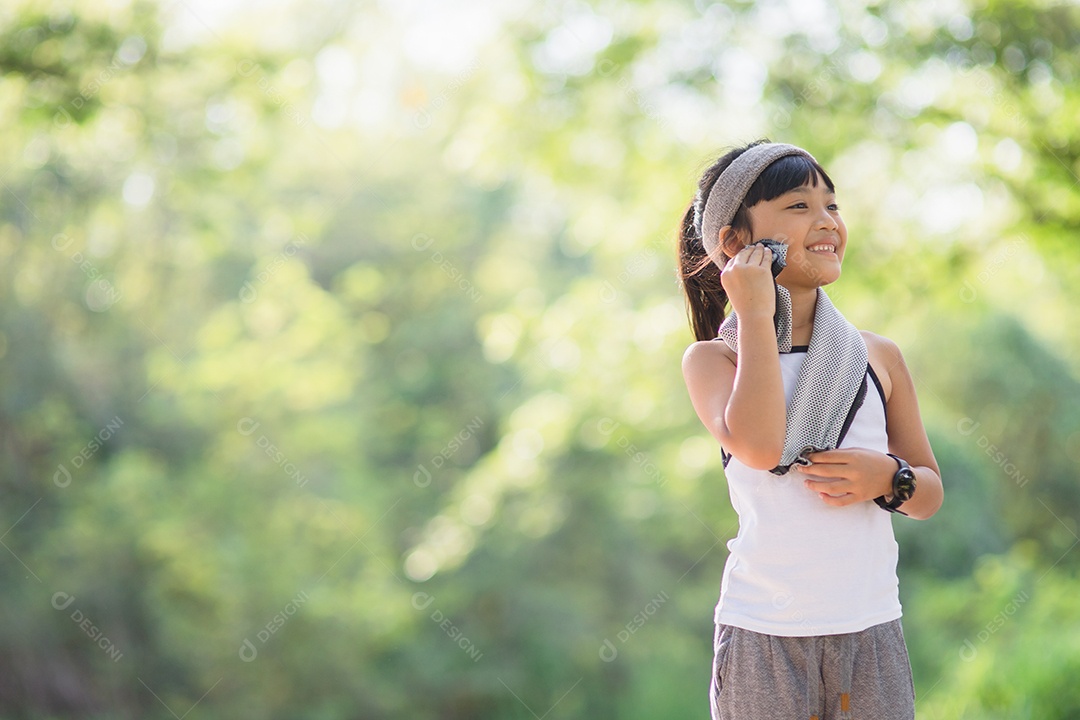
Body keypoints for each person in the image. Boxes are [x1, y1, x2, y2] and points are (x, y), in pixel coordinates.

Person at [677, 140, 943, 720]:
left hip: (869, 629)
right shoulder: (714, 361)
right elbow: (761, 445)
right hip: (763, 635)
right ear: (735, 243)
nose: (826, 223)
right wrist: (751, 310)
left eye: (832, 206)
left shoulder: (880, 356)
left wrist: (887, 477)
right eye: (799, 207)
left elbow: (928, 494)